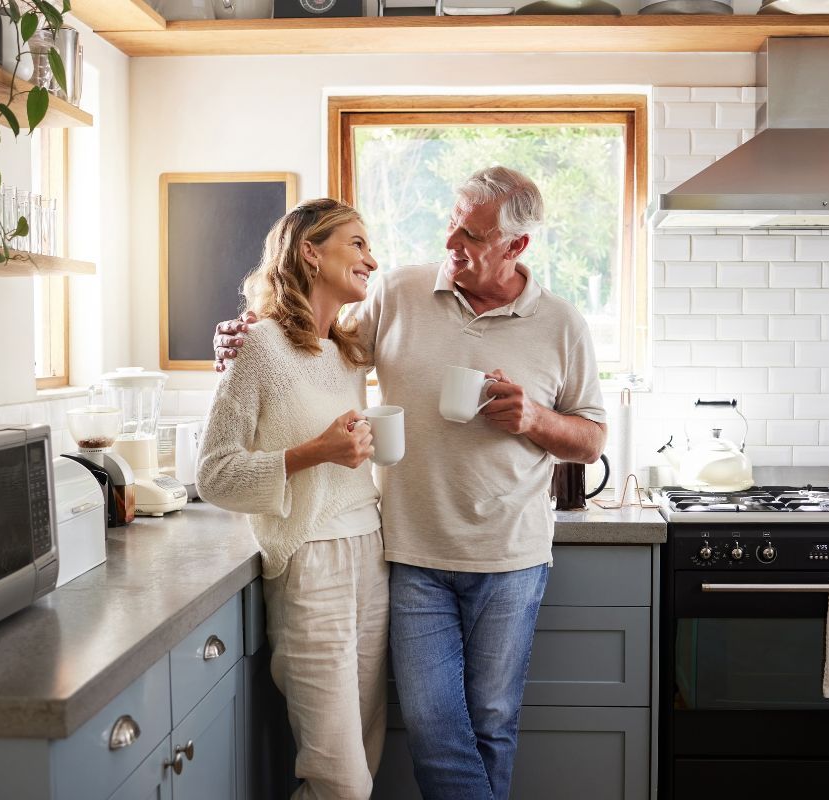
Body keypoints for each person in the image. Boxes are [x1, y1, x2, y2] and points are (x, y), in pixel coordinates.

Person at [214, 166, 607, 800]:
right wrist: (243, 333)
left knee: (493, 722)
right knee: (429, 723)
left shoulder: (561, 323)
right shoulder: (398, 292)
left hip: (511, 557)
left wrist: (533, 418)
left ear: (517, 247)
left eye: (472, 236)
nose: (452, 244)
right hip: (409, 552)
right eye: (451, 224)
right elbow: (318, 347)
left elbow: (591, 438)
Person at [196, 198, 388, 800]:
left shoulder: (348, 352)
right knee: (340, 783)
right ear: (310, 251)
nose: (371, 259)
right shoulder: (258, 346)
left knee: (367, 755)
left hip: (371, 557)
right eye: (356, 243)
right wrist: (316, 451)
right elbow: (215, 474)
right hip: (310, 565)